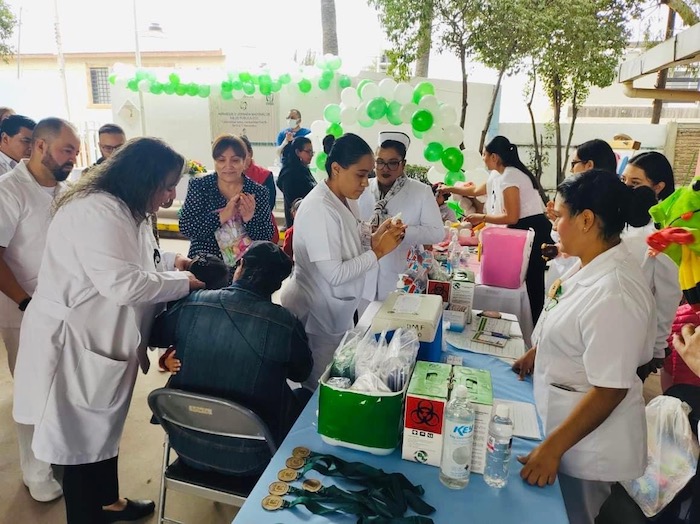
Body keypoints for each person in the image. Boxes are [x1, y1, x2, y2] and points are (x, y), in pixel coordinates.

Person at [12, 137, 205, 524]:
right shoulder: (97, 209)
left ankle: (108, 503)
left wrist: (173, 261)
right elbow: (124, 283)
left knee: (100, 433)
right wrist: (183, 283)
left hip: (102, 340)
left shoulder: (126, 207)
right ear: (143, 178)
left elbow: (137, 256)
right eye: (167, 186)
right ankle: (88, 514)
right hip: (74, 345)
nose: (170, 196)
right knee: (77, 448)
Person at [512, 169, 656, 524]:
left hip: (587, 449)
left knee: (569, 516)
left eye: (560, 216)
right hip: (562, 426)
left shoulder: (615, 292)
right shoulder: (589, 264)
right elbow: (576, 329)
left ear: (586, 220)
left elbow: (610, 389)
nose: (554, 225)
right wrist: (539, 351)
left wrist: (553, 448)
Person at [150, 241, 312, 475]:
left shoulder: (193, 303)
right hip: (253, 458)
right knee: (304, 396)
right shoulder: (285, 323)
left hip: (185, 444)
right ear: (278, 284)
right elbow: (301, 373)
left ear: (241, 265)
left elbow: (155, 335)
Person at [281, 133, 405, 387]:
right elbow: (335, 273)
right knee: (319, 386)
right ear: (336, 168)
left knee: (336, 372)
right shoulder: (319, 208)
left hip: (336, 305)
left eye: (368, 175)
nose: (365, 182)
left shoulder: (346, 197)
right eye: (360, 174)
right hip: (318, 311)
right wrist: (378, 252)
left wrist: (374, 238)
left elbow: (351, 239)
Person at [0, 117, 77, 502]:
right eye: (67, 150)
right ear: (41, 146)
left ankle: (58, 455)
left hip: (65, 306)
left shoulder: (66, 192)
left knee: (62, 387)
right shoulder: (9, 190)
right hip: (23, 308)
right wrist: (25, 302)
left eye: (76, 152)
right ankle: (36, 472)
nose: (73, 159)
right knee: (33, 391)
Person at [448, 136, 551, 323]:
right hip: (518, 229)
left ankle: (534, 327)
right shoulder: (497, 175)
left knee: (532, 283)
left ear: (494, 157)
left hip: (532, 229)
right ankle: (507, 315)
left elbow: (511, 216)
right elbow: (476, 191)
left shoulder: (510, 176)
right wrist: (449, 188)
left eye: (484, 154)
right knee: (513, 278)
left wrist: (482, 217)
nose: (483, 158)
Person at [358, 131, 444, 301]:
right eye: (380, 162)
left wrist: (401, 232)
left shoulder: (421, 191)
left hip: (403, 278)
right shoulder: (363, 188)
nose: (385, 168)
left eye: (392, 163)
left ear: (403, 164)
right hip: (365, 279)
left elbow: (437, 233)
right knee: (365, 317)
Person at [619, 151, 680, 380]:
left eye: (635, 183)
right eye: (624, 180)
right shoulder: (621, 218)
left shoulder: (663, 232)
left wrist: (657, 347)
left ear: (658, 187)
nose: (626, 188)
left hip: (637, 335)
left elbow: (668, 296)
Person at [179, 134, 274, 260]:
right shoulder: (200, 186)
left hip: (243, 266)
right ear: (215, 162)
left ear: (245, 162)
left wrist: (249, 219)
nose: (228, 166)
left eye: (235, 160)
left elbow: (266, 237)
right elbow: (186, 227)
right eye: (221, 160)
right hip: (205, 263)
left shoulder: (257, 192)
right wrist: (222, 216)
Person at [240, 135, 279, 243]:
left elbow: (269, 205)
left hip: (260, 227)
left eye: (242, 153)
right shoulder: (225, 178)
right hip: (232, 232)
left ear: (250, 153)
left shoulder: (264, 175)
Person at [276, 136, 317, 228]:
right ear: (298, 152)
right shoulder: (289, 173)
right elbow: (293, 202)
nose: (311, 155)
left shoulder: (304, 169)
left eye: (312, 152)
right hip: (298, 221)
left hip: (308, 217)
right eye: (308, 152)